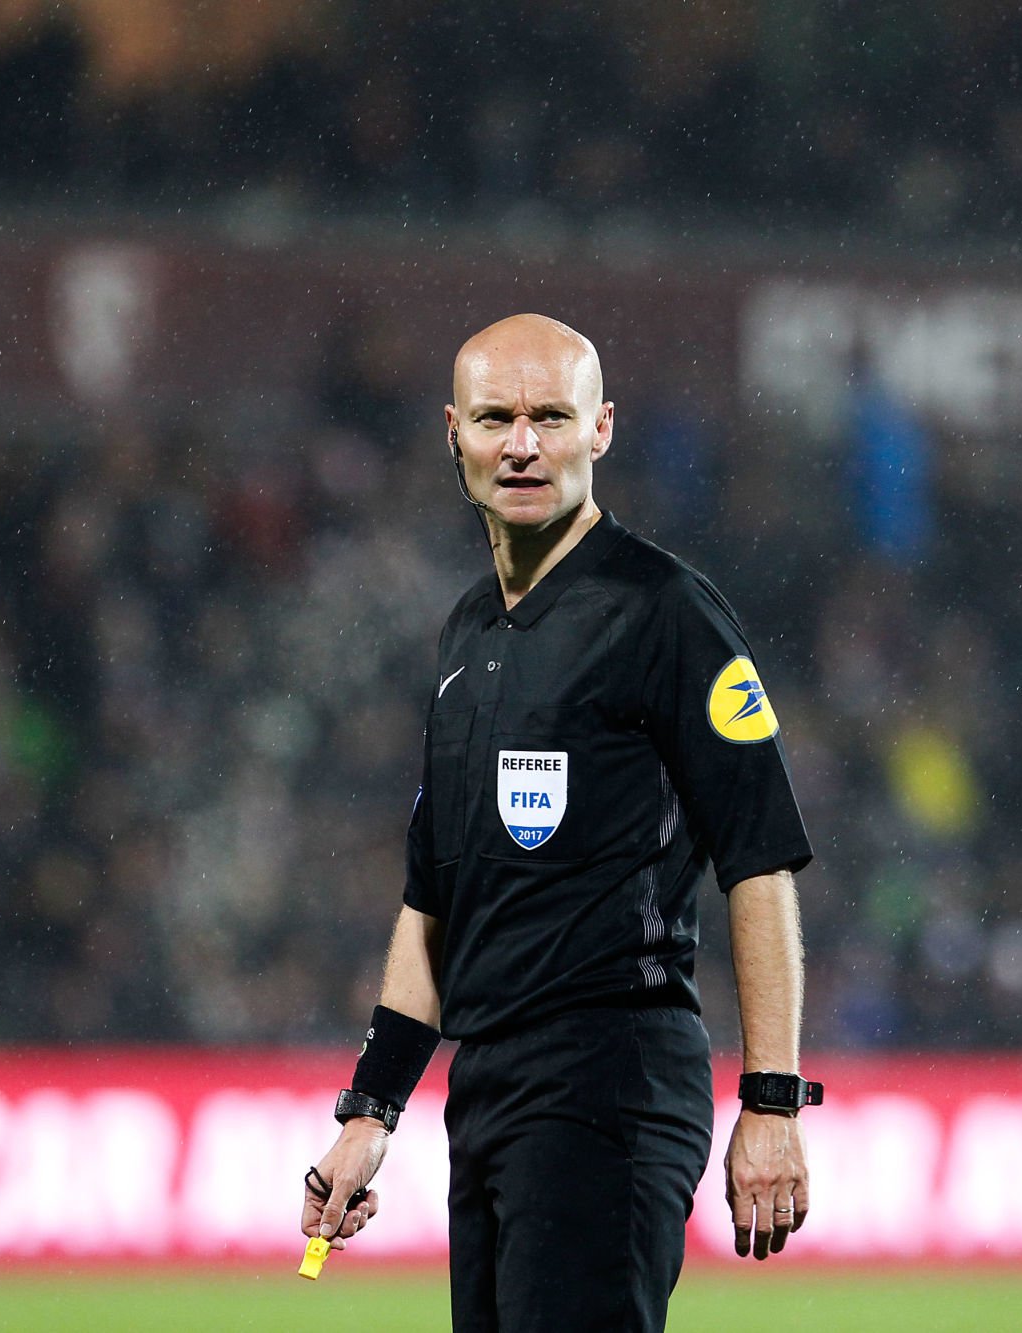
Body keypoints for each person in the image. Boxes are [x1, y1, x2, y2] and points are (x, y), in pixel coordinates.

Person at [301, 313, 818, 1332]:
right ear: (454, 432)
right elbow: (433, 899)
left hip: (610, 1077)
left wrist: (770, 1098)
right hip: (488, 1089)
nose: (523, 444)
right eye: (496, 417)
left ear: (602, 429)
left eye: (550, 416)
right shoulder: (465, 634)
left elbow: (758, 856)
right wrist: (370, 1109)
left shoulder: (664, 611)